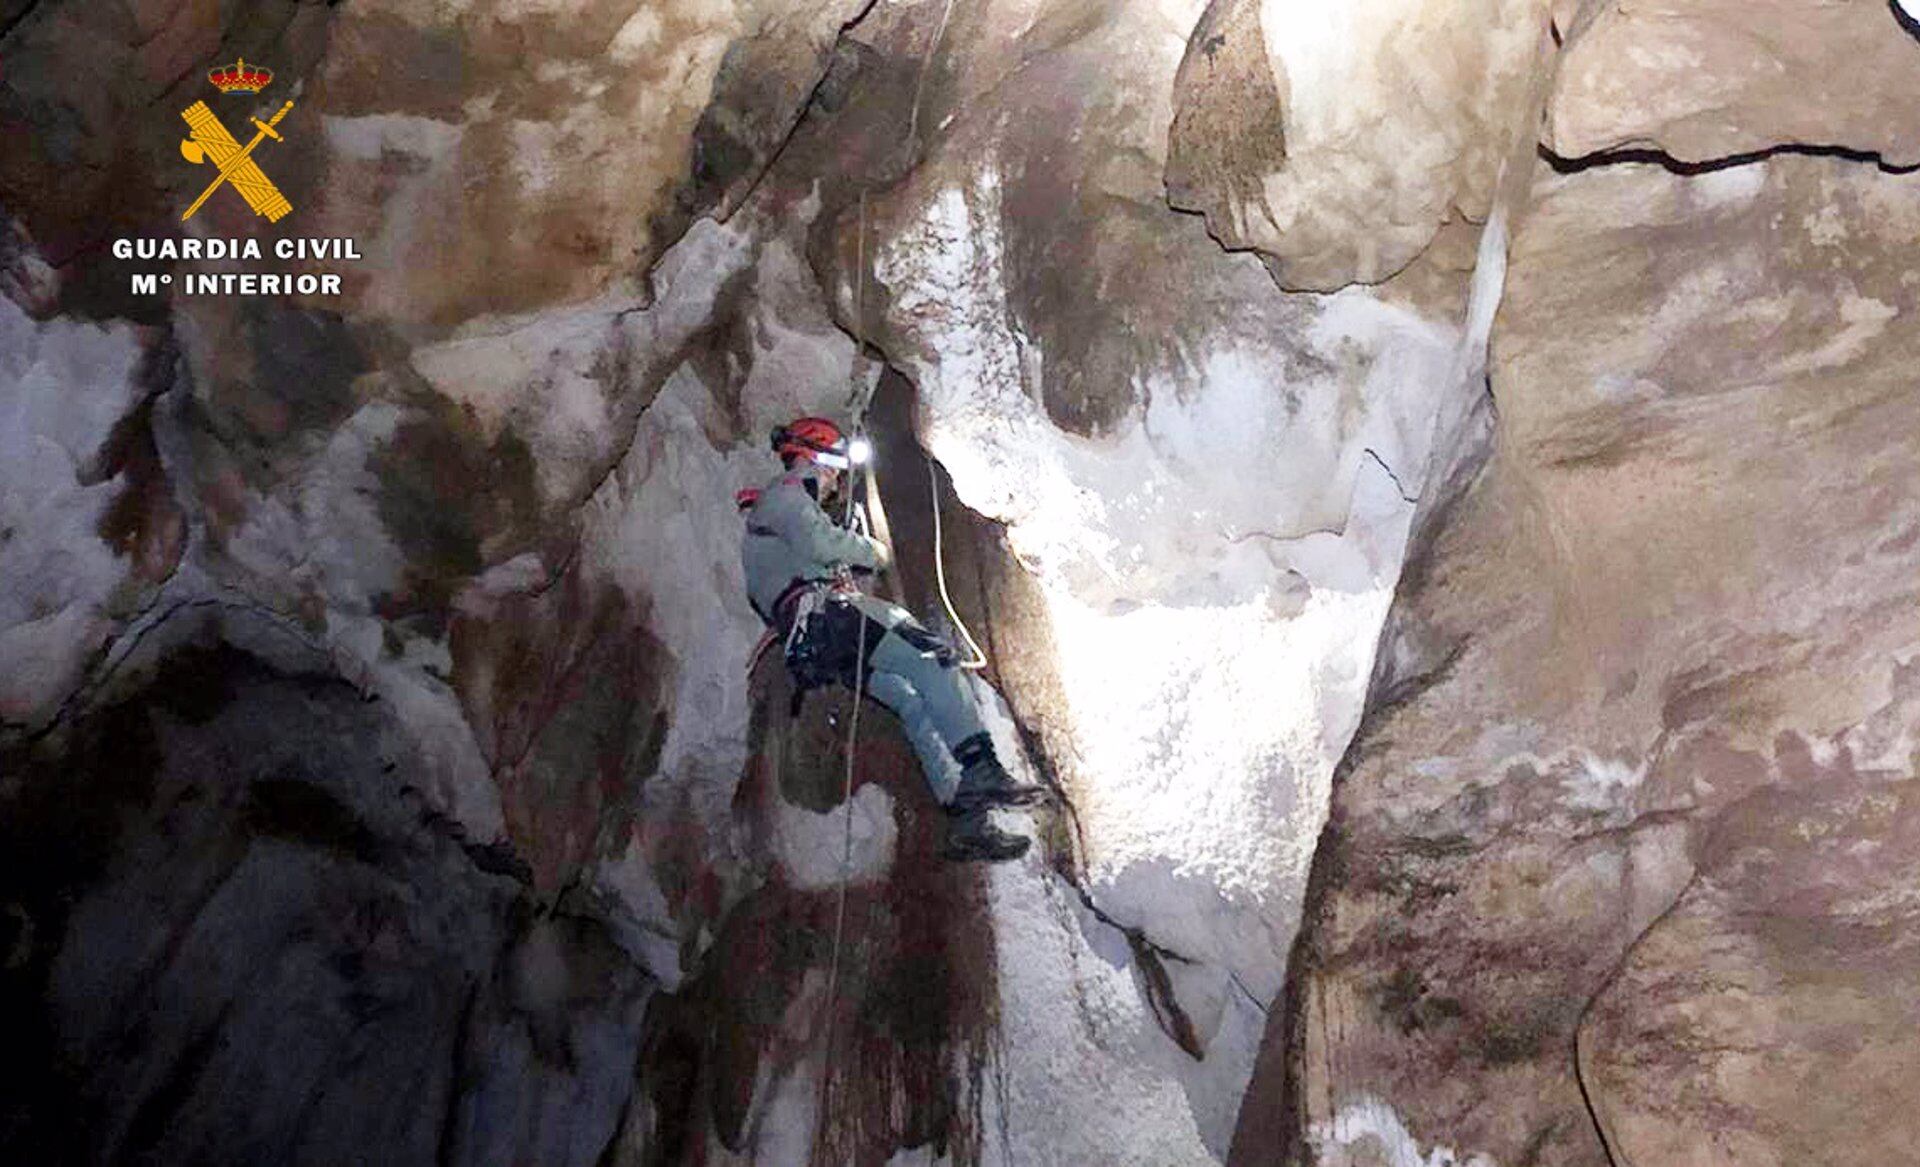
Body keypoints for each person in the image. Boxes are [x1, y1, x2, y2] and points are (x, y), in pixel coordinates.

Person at [740, 416, 1044, 862]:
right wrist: (871, 552)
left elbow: (806, 557)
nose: (834, 483)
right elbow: (823, 543)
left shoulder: (773, 522)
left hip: (812, 641)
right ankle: (983, 767)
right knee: (931, 656)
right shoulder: (786, 493)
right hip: (823, 618)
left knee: (907, 699)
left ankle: (966, 821)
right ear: (817, 458)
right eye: (834, 470)